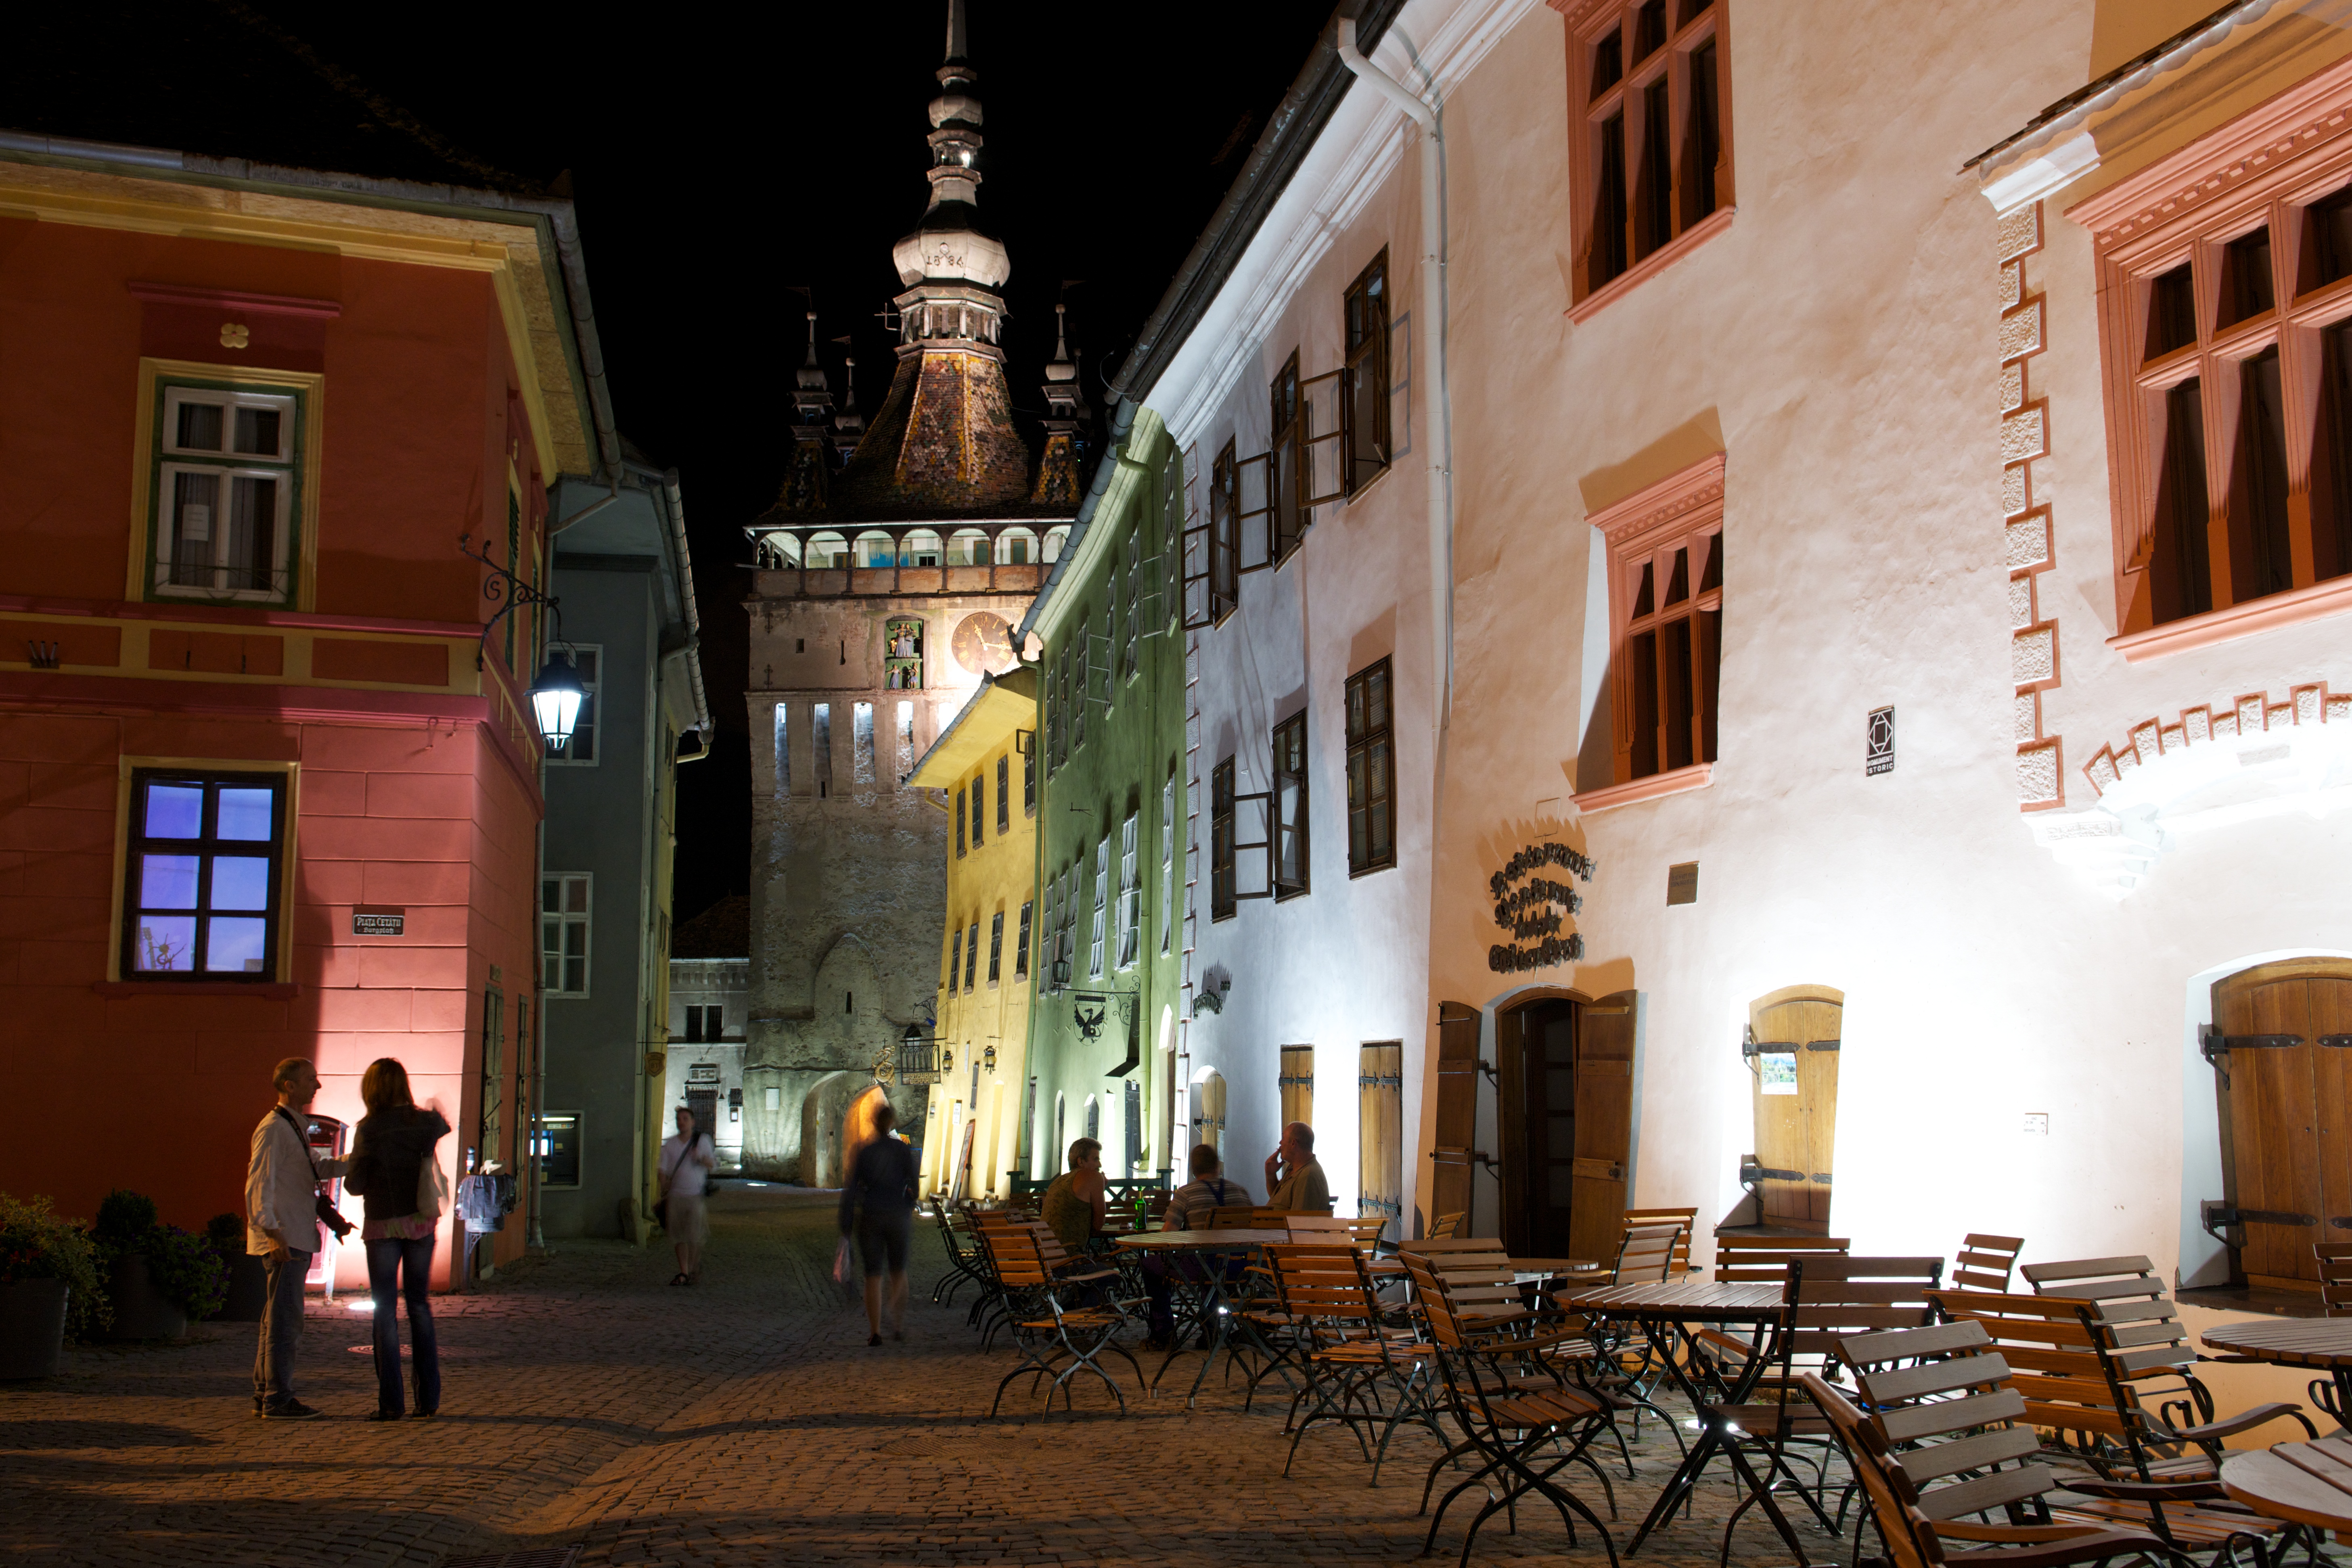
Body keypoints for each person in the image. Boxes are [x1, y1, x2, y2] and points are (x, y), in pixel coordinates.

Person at [341, 1058, 450, 1421]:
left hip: (384, 1223)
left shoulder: (369, 1129)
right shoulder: (424, 1123)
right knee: (419, 1305)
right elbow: (440, 1125)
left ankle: (391, 1403)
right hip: (421, 1222)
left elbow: (354, 1186)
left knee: (385, 1311)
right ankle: (428, 1399)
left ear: (372, 1090)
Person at [243, 1057, 346, 1420]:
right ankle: (278, 1398)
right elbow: (259, 1183)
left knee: (276, 1319)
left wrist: (357, 1159)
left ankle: (266, 1394)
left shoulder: (290, 1126)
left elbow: (317, 1169)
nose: (316, 1086)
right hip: (287, 1237)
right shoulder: (275, 1128)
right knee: (285, 1320)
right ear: (289, 1085)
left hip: (291, 1234)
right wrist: (272, 1232)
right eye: (310, 1079)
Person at [1143, 1142, 1256, 1349]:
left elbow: (1168, 1236)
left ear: (1193, 1170)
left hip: (1206, 1269)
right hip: (1242, 1268)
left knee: (1152, 1265)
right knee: (1210, 1266)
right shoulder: (1240, 1192)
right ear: (1217, 1166)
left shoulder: (1186, 1194)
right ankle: (1212, 1330)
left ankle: (1163, 1332)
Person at [837, 1101, 919, 1346]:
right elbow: (914, 1186)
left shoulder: (865, 1152)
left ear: (873, 1122)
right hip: (897, 1216)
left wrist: (846, 1225)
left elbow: (851, 1190)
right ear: (892, 1122)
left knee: (873, 1275)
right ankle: (897, 1324)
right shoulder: (903, 1151)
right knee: (898, 1271)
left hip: (871, 1216)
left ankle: (875, 1332)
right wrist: (906, 1204)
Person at [659, 1106, 715, 1285]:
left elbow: (712, 1164)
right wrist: (663, 1183)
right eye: (679, 1119)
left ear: (692, 1122)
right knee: (678, 1236)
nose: (681, 1122)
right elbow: (663, 1169)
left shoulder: (702, 1141)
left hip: (695, 1195)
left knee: (695, 1236)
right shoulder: (670, 1144)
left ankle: (693, 1266)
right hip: (676, 1196)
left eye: (685, 1119)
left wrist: (700, 1159)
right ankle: (684, 1272)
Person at [1040, 1137, 1107, 1256]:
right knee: (1117, 1275)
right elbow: (1098, 1225)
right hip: (1069, 1263)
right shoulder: (1094, 1177)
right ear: (1081, 1162)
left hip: (1045, 1260)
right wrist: (1100, 1187)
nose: (1100, 1165)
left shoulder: (1057, 1182)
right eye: (1096, 1159)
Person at [1263, 1121, 1332, 1213]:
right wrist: (1271, 1175)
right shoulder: (1293, 1168)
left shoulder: (1308, 1175)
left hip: (1279, 1227)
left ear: (1293, 1143)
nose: (1280, 1143)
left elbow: (1298, 1222)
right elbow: (1277, 1201)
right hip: (1272, 1226)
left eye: (1283, 1138)